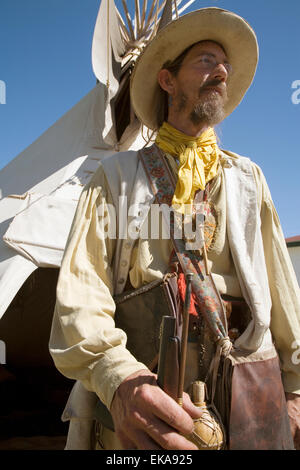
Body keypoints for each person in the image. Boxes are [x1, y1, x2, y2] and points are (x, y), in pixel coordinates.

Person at [49, 8, 300, 450]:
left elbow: (281, 291)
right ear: (167, 80)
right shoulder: (116, 177)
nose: (222, 70)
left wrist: (295, 390)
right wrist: (120, 379)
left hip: (250, 400)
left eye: (224, 63)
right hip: (147, 403)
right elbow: (80, 295)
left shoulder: (248, 179)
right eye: (206, 59)